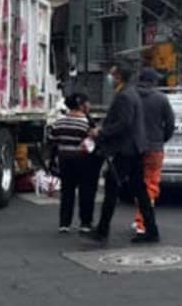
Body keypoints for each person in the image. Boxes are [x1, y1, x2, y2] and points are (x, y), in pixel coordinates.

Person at [92, 66, 159, 244]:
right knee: (140, 190)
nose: (110, 78)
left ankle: (102, 230)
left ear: (119, 76)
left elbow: (124, 123)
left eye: (112, 74)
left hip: (127, 149)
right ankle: (151, 230)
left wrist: (102, 132)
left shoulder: (125, 96)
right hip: (134, 148)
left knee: (112, 187)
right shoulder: (129, 93)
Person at [47, 93, 99, 234]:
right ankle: (85, 223)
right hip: (84, 161)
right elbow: (94, 142)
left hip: (65, 160)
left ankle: (64, 223)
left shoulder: (59, 122)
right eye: (87, 103)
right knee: (86, 192)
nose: (90, 105)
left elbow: (52, 140)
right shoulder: (86, 123)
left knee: (67, 192)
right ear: (81, 104)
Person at [134, 68, 175, 236]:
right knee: (150, 184)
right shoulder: (161, 99)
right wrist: (161, 139)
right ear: (153, 82)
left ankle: (140, 218)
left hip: (133, 148)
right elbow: (170, 124)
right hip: (154, 147)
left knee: (136, 184)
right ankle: (143, 222)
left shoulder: (129, 96)